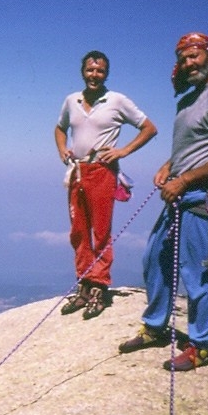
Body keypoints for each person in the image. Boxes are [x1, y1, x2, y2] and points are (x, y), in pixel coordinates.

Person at [118, 33, 208, 371]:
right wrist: (168, 166)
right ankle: (156, 327)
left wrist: (185, 179)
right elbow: (188, 149)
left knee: (197, 272)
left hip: (203, 196)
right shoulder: (188, 101)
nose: (189, 63)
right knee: (155, 258)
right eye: (183, 58)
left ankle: (201, 346)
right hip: (181, 192)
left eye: (194, 56)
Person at [55, 50, 158, 320]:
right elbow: (59, 128)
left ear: (106, 74)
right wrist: (63, 148)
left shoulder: (116, 100)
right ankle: (84, 283)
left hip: (102, 171)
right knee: (78, 230)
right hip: (77, 170)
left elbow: (149, 128)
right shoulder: (71, 100)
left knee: (100, 231)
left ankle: (99, 286)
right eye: (90, 70)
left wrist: (123, 151)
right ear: (83, 71)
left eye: (100, 71)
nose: (94, 75)